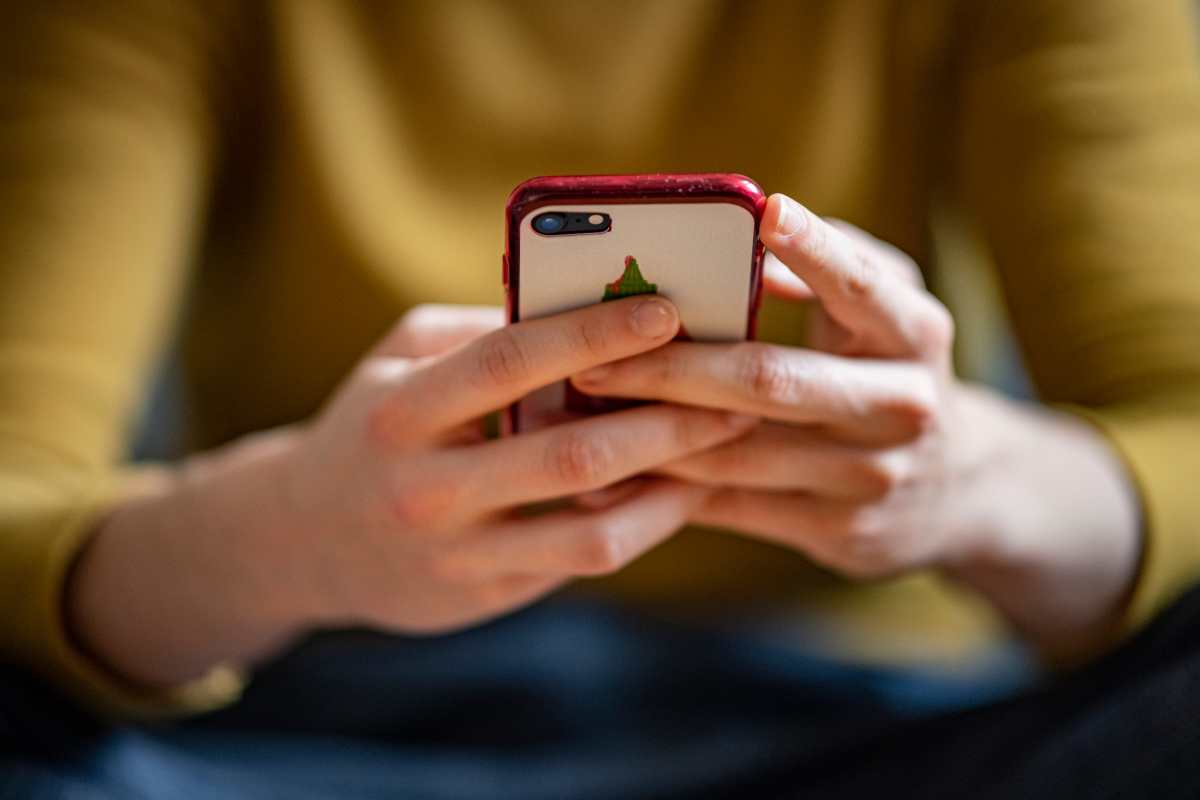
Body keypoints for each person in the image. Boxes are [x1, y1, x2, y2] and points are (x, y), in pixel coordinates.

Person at [2, 1, 1199, 796]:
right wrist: (280, 543)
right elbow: (16, 490)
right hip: (311, 735)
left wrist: (968, 486)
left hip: (869, 728)